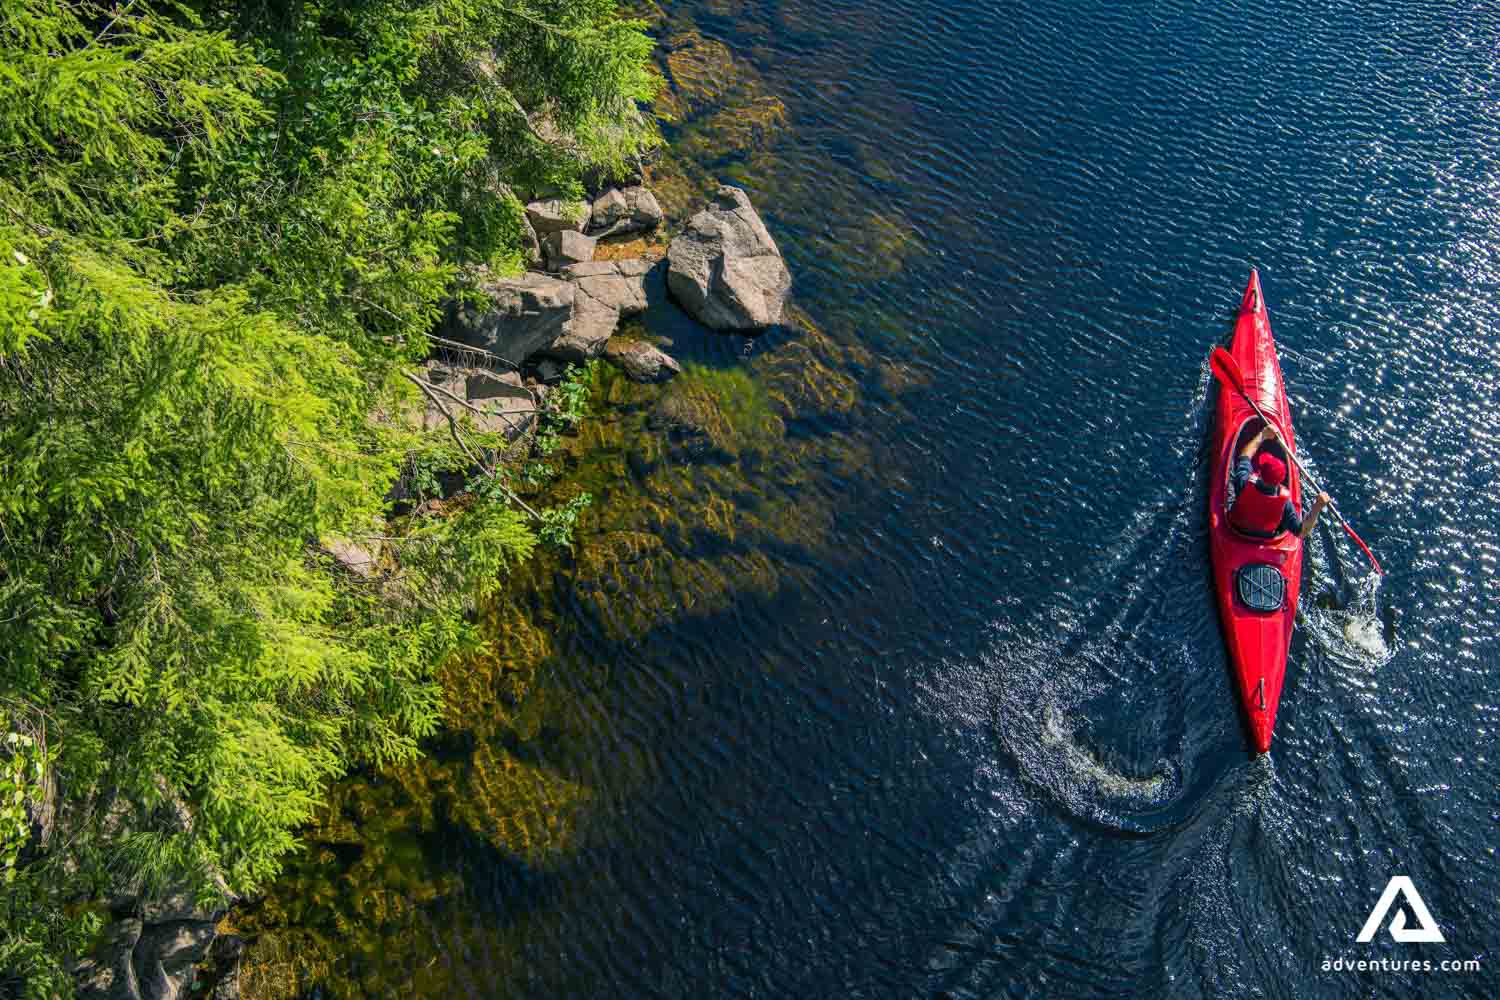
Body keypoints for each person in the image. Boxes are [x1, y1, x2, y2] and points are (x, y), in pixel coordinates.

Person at [1229, 423, 1329, 539]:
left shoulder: (1244, 481)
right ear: (1281, 481)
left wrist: (1262, 435)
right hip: (1265, 537)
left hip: (1237, 529)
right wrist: (1318, 506)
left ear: (1259, 474)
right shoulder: (1285, 503)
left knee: (1233, 482)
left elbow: (1245, 456)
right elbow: (1301, 532)